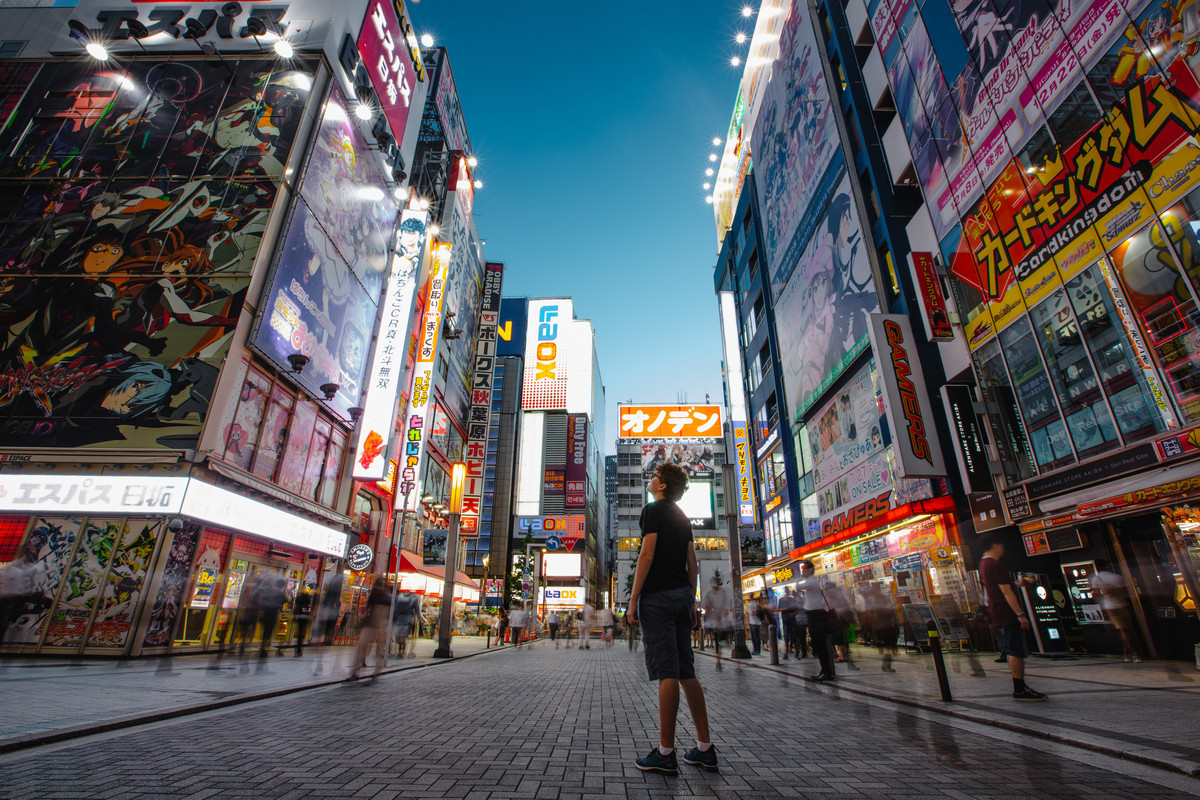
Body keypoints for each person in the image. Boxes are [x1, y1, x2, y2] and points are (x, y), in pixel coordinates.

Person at [627, 462, 717, 775]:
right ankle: (705, 747)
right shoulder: (682, 517)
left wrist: (634, 598)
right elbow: (692, 562)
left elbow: (647, 555)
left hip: (658, 598)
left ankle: (666, 753)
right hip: (681, 596)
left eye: (654, 477)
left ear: (662, 485)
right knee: (685, 670)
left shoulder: (653, 511)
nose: (650, 480)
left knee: (667, 670)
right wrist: (691, 599)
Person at [978, 532, 1048, 701]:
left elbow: (1001, 588)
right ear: (995, 545)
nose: (1002, 549)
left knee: (1011, 648)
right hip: (1006, 612)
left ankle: (1020, 686)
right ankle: (1019, 688)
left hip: (997, 611)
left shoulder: (983, 564)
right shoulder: (995, 565)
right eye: (1001, 545)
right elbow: (1005, 591)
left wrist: (1018, 584)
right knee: (1015, 649)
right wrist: (1020, 614)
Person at [1089, 562, 1142, 662]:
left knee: (1121, 630)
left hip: (1109, 607)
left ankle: (1132, 653)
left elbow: (1095, 594)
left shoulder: (1096, 579)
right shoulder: (1116, 577)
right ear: (1105, 567)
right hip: (1122, 605)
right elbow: (1125, 591)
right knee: (1126, 630)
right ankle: (1130, 654)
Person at [795, 560, 836, 682]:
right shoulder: (811, 582)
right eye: (802, 570)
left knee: (820, 645)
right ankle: (824, 671)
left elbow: (797, 587)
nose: (803, 572)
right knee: (819, 645)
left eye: (805, 570)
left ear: (810, 570)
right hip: (814, 615)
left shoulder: (812, 582)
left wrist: (798, 577)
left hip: (816, 616)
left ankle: (827, 672)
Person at [0, 549, 48, 645]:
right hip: (8, 609)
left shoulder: (31, 569)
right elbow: (3, 593)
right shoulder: (10, 569)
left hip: (16, 610)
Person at [349, 576, 391, 682]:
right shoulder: (384, 597)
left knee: (367, 647)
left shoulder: (380, 596)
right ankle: (361, 671)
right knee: (368, 647)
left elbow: (368, 609)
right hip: (375, 624)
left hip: (376, 624)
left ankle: (358, 672)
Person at [863, 583, 898, 672]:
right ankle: (886, 665)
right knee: (887, 646)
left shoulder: (871, 599)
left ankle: (886, 664)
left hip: (880, 626)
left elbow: (869, 613)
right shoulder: (879, 599)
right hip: (883, 626)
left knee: (886, 646)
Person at [701, 573, 733, 663]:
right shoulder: (708, 593)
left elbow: (727, 606)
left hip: (721, 620)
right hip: (712, 619)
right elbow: (704, 605)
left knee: (720, 638)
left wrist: (724, 614)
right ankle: (718, 658)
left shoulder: (723, 592)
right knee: (715, 638)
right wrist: (709, 608)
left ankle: (720, 651)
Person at [392, 590, 420, 659]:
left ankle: (399, 650)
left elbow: (394, 608)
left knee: (399, 635)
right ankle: (402, 651)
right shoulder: (414, 598)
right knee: (404, 636)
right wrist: (419, 617)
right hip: (408, 620)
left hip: (399, 619)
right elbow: (417, 609)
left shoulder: (399, 597)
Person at [777, 587, 800, 659]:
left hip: (792, 620)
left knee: (794, 636)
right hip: (785, 620)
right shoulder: (781, 600)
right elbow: (778, 609)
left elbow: (796, 610)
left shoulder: (792, 600)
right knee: (786, 637)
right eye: (786, 591)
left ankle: (796, 652)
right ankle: (786, 652)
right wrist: (783, 609)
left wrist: (792, 614)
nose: (787, 592)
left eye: (787, 591)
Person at [292, 586, 314, 657]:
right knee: (302, 634)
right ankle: (299, 649)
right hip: (304, 618)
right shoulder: (306, 602)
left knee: (299, 633)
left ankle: (297, 649)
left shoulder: (298, 599)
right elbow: (309, 609)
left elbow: (296, 607)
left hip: (299, 617)